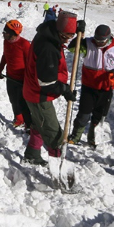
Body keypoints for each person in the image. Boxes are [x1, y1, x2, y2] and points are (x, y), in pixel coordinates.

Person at [22, 11, 86, 165]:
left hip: (32, 90)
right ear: (58, 32)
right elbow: (47, 83)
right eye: (66, 36)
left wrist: (77, 30)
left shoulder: (49, 32)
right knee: (54, 135)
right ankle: (59, 170)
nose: (68, 39)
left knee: (39, 124)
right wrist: (65, 90)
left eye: (70, 36)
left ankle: (32, 154)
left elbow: (64, 36)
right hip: (38, 95)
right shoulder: (48, 49)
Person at [67, 25, 114, 147]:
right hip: (89, 87)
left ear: (108, 38)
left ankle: (93, 138)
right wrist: (78, 37)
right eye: (96, 40)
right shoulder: (87, 43)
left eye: (101, 41)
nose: (98, 43)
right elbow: (72, 49)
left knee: (99, 115)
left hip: (106, 88)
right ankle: (75, 135)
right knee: (84, 114)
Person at [0, 20, 33, 129]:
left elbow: (31, 63)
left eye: (5, 32)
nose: (3, 34)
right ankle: (19, 118)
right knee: (13, 99)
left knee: (23, 102)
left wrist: (28, 79)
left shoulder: (24, 44)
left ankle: (29, 124)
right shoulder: (6, 42)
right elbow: (5, 56)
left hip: (22, 80)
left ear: (13, 33)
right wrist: (0, 68)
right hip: (10, 77)